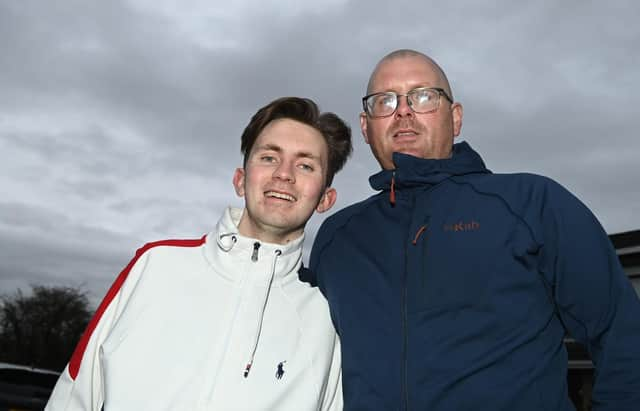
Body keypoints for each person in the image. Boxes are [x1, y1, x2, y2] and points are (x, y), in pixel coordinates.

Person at [310, 49, 640, 410]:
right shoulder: (337, 239)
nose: (403, 110)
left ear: (455, 118)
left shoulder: (531, 205)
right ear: (365, 127)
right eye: (384, 101)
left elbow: (623, 335)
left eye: (423, 96)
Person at [46, 97, 352, 410]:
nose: (284, 174)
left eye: (305, 165)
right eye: (269, 157)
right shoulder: (155, 265)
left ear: (325, 199)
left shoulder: (329, 315)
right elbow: (76, 392)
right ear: (241, 179)